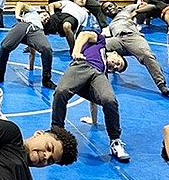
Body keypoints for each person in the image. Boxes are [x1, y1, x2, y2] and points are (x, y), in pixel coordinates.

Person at [50, 30, 130, 162]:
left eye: (116, 69)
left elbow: (94, 100)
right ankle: (56, 134)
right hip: (83, 65)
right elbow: (84, 35)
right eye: (118, 63)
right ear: (115, 53)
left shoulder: (104, 73)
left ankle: (115, 141)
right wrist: (76, 51)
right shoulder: (101, 42)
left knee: (109, 99)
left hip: (97, 75)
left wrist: (93, 120)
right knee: (61, 92)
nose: (114, 66)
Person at [100, 2, 169, 96]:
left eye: (110, 6)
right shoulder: (111, 25)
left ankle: (162, 85)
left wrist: (136, 11)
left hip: (132, 37)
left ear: (115, 6)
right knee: (97, 46)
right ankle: (102, 77)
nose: (109, 9)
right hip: (118, 39)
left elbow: (151, 6)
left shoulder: (127, 9)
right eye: (106, 9)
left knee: (147, 55)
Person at [0, 2, 56, 88]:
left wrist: (31, 66)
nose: (46, 18)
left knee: (47, 49)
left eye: (47, 19)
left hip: (35, 30)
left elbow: (32, 51)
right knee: (5, 46)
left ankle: (46, 80)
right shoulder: (33, 12)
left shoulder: (40, 28)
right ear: (40, 13)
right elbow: (19, 4)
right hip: (23, 25)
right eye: (45, 15)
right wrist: (17, 16)